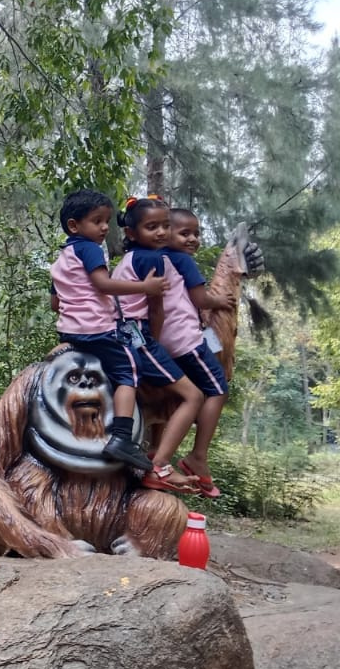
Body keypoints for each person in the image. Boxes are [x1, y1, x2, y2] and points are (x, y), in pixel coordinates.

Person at [50, 189, 174, 476]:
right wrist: (145, 287)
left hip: (70, 332)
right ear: (74, 225)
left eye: (107, 221)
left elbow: (55, 303)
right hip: (98, 330)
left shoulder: (62, 258)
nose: (105, 227)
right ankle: (122, 437)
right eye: (97, 221)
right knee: (129, 370)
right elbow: (104, 284)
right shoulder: (90, 249)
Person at [110, 196, 205, 493]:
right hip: (135, 334)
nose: (162, 232)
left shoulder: (130, 258)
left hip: (119, 329)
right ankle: (161, 466)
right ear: (131, 232)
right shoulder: (152, 260)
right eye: (152, 227)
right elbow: (156, 311)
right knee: (194, 395)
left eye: (165, 226)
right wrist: (156, 344)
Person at [162, 207, 236, 496]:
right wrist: (220, 301)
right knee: (218, 388)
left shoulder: (159, 259)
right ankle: (198, 455)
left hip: (162, 341)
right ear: (165, 233)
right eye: (185, 233)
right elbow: (200, 298)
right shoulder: (183, 260)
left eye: (196, 233)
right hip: (184, 342)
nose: (193, 239)